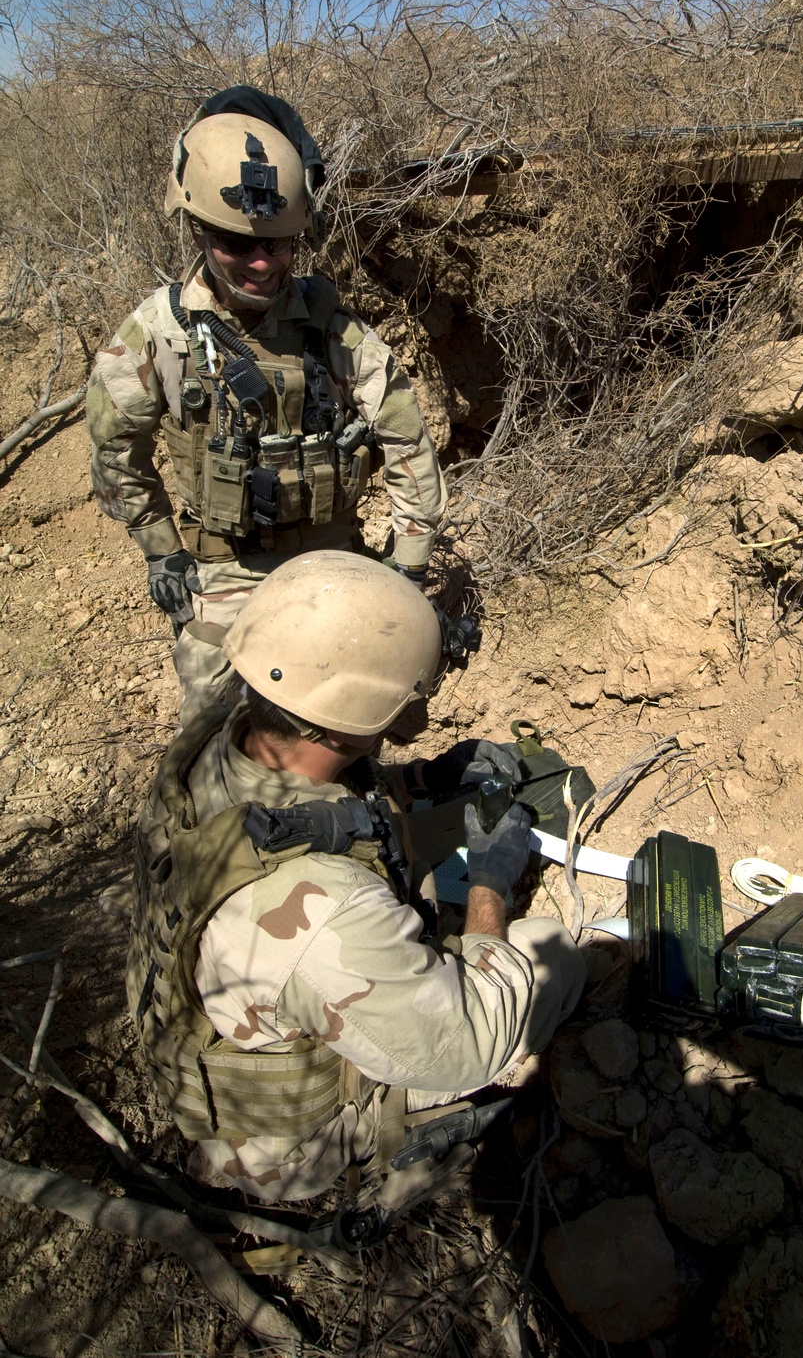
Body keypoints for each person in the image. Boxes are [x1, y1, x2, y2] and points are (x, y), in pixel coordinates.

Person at [127, 551, 585, 1219]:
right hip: (276, 1137)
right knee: (552, 953)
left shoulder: (220, 732)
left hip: (215, 1019)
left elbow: (319, 808)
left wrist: (424, 779)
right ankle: (391, 1151)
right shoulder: (327, 913)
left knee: (441, 836)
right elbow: (463, 1043)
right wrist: (490, 883)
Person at [86, 88, 447, 720]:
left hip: (333, 558)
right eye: (236, 244)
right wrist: (160, 547)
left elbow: (405, 438)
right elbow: (116, 452)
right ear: (197, 230)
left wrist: (409, 563)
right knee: (220, 720)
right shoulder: (158, 334)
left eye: (277, 245)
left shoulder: (330, 328)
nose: (260, 263)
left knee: (371, 713)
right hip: (226, 570)